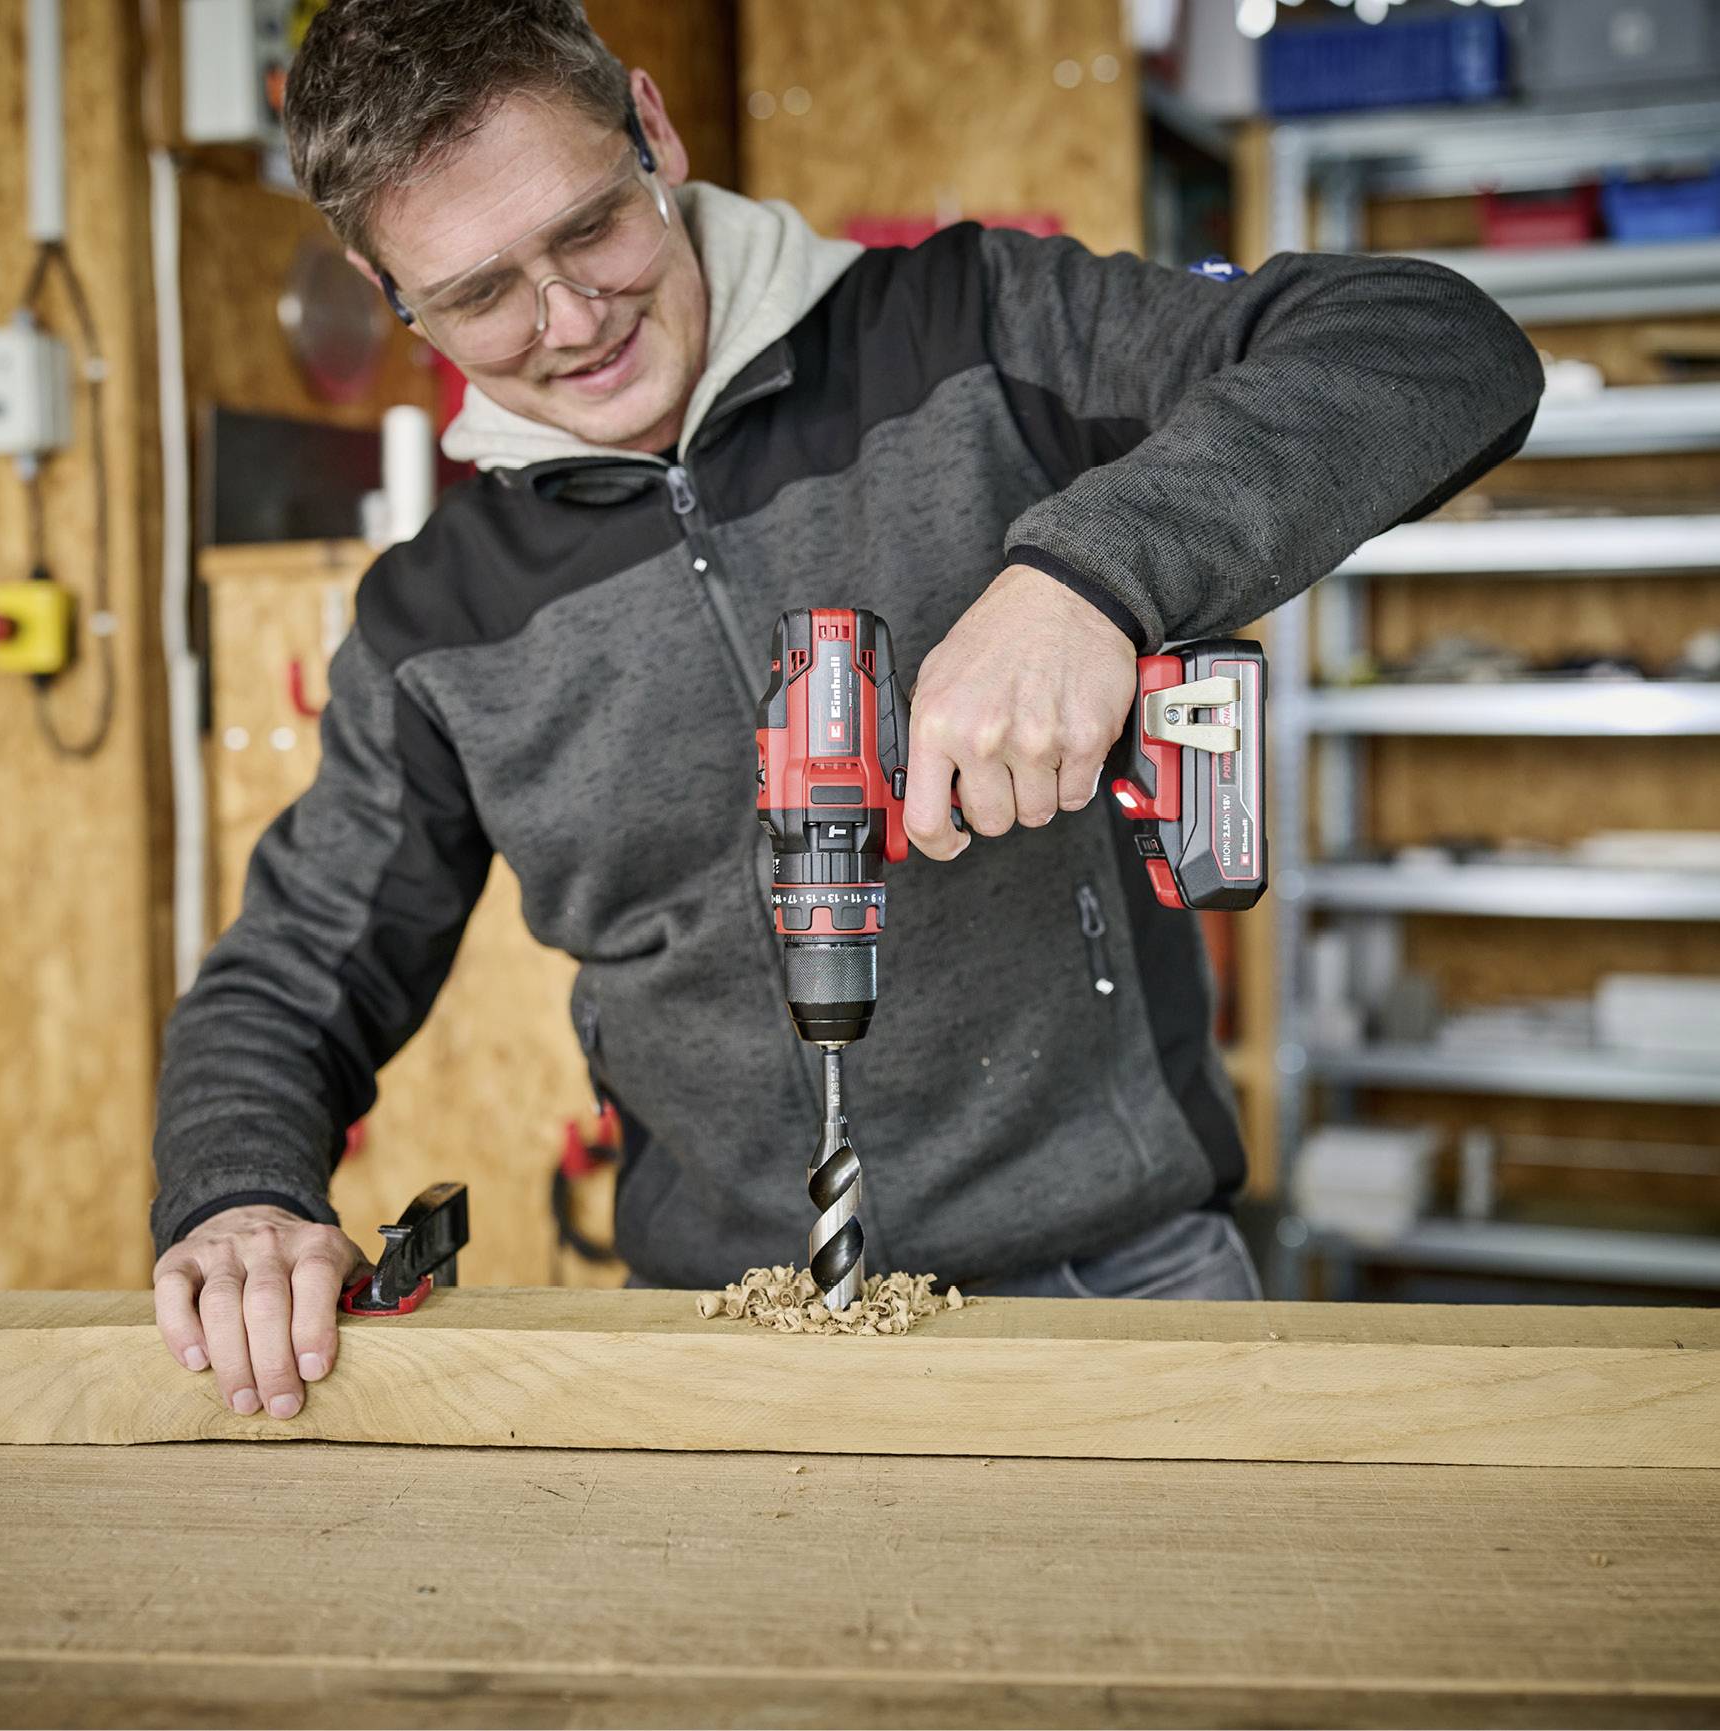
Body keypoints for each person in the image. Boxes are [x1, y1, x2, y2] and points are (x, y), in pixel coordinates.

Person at [149, 0, 1543, 1419]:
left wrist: (1091, 581)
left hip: (1121, 1282)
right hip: (726, 1331)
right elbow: (292, 976)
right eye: (478, 295)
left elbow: (1433, 344)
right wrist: (240, 1194)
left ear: (655, 130)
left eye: (589, 231)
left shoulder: (973, 329)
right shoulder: (435, 617)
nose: (570, 322)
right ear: (389, 288)